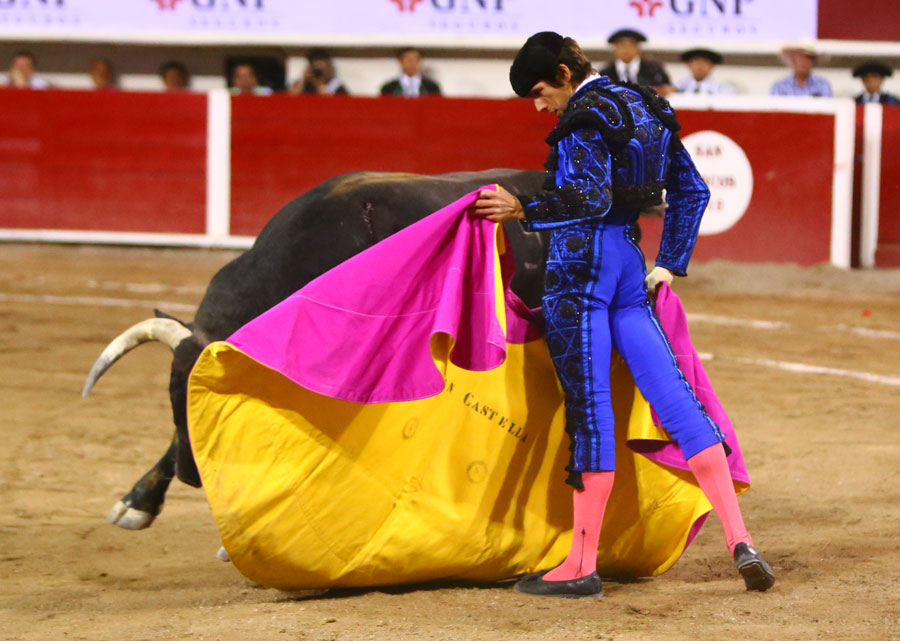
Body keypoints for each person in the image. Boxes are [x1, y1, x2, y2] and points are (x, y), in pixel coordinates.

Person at [472, 31, 774, 598]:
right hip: (630, 266)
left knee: (590, 411)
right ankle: (741, 540)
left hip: (581, 269)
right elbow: (692, 190)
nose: (539, 107)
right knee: (678, 402)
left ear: (564, 74)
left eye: (539, 92)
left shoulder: (584, 116)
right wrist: (670, 262)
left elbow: (588, 198)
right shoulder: (646, 105)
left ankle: (580, 564)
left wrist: (522, 207)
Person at [598, 28, 671, 95]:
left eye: (631, 45)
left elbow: (667, 88)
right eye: (622, 45)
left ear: (638, 48)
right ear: (614, 48)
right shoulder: (605, 73)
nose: (626, 49)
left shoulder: (654, 70)